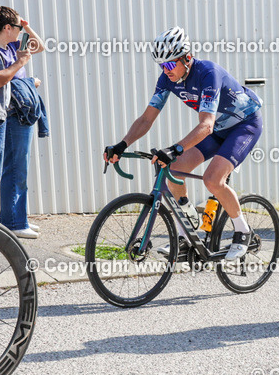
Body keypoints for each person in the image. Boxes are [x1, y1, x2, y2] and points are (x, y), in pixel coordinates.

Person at [104, 27, 263, 261]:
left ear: (186, 58)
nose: (165, 71)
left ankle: (242, 231)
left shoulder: (208, 73)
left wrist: (175, 148)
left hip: (244, 125)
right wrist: (122, 144)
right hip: (219, 127)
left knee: (212, 179)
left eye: (169, 65)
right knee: (174, 170)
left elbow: (206, 125)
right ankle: (186, 235)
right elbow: (147, 118)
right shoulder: (168, 80)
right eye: (161, 66)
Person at [0, 6, 46, 238]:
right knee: (14, 169)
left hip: (15, 113)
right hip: (12, 114)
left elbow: (40, 46)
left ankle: (16, 219)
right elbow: (1, 79)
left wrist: (24, 24)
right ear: (7, 28)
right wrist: (22, 68)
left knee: (18, 169)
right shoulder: (0, 52)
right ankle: (13, 223)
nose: (20, 32)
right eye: (16, 27)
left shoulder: (11, 47)